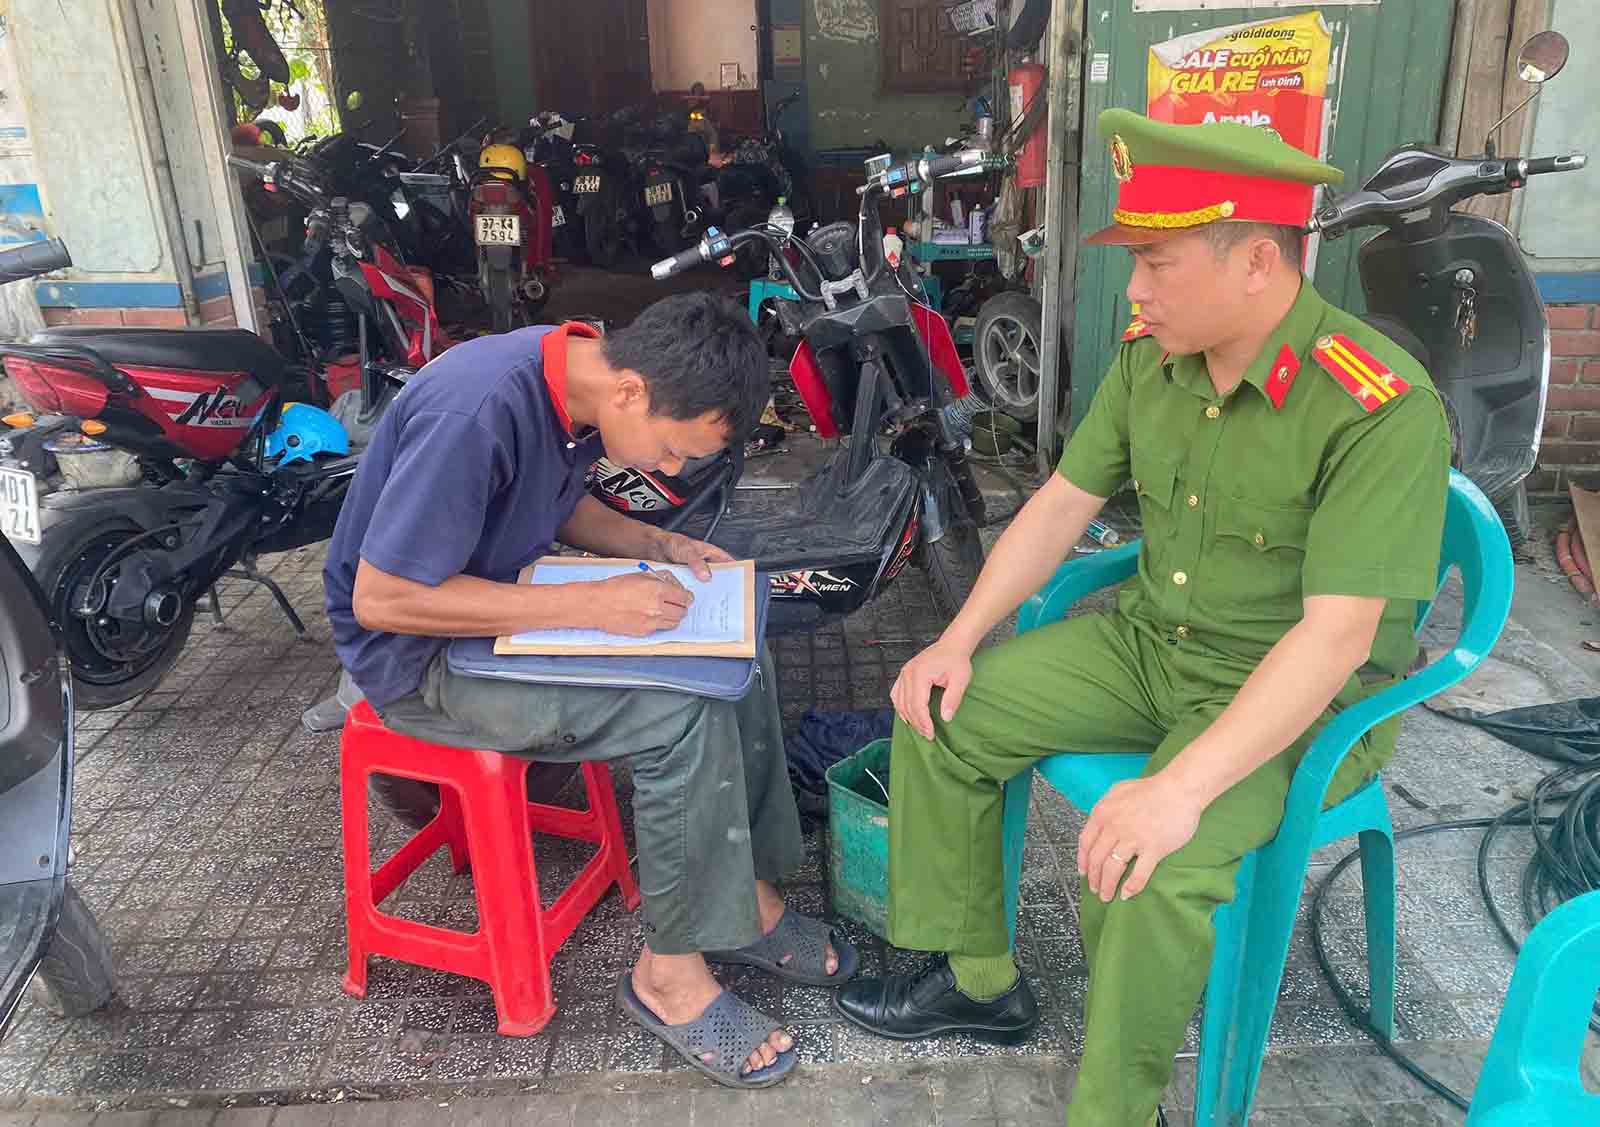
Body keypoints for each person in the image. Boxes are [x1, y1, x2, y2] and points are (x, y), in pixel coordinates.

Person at [834, 110, 1451, 1126]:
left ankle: (1117, 1109)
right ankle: (979, 982)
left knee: (1143, 864)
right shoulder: (1152, 360)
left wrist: (1178, 788)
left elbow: (1335, 636)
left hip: (1299, 698)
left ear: (1257, 262)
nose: (1134, 290)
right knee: (938, 709)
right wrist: (956, 639)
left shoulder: (1375, 404)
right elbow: (1058, 505)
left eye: (1157, 262)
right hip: (1151, 646)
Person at [323, 293, 858, 1088]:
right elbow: (383, 597)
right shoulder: (473, 412)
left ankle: (742, 900)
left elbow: (559, 502)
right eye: (671, 451)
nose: (668, 471)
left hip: (497, 609)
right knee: (679, 713)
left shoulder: (576, 374)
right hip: (420, 658)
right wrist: (588, 603)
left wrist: (659, 543)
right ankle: (668, 977)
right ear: (631, 391)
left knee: (742, 660)